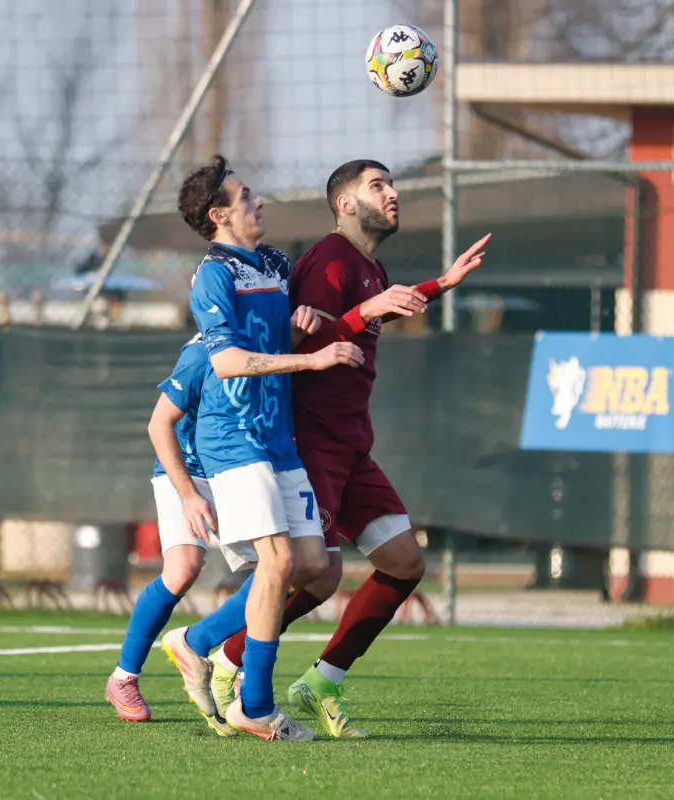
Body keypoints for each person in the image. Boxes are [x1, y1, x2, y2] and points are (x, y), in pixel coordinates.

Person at [207, 159, 489, 738]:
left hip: (353, 444)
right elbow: (303, 348)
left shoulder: (370, 265)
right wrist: (368, 311)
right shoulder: (328, 262)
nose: (393, 194)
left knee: (404, 562)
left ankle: (321, 681)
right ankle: (224, 655)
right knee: (308, 575)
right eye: (377, 186)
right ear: (344, 204)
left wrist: (442, 283)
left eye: (392, 184)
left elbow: (370, 313)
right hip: (313, 441)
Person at [161, 154, 363, 741]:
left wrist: (297, 330)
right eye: (247, 196)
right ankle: (255, 704)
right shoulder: (213, 275)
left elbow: (269, 339)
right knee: (276, 563)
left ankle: (197, 642)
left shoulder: (275, 262)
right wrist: (312, 356)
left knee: (313, 567)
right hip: (233, 440)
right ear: (219, 214)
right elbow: (226, 362)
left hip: (278, 439)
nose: (260, 202)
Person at [103, 334, 255, 736]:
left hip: (239, 467)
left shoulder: (270, 336)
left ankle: (231, 662)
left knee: (283, 571)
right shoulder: (203, 348)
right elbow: (159, 425)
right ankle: (123, 677)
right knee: (184, 567)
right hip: (188, 472)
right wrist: (188, 495)